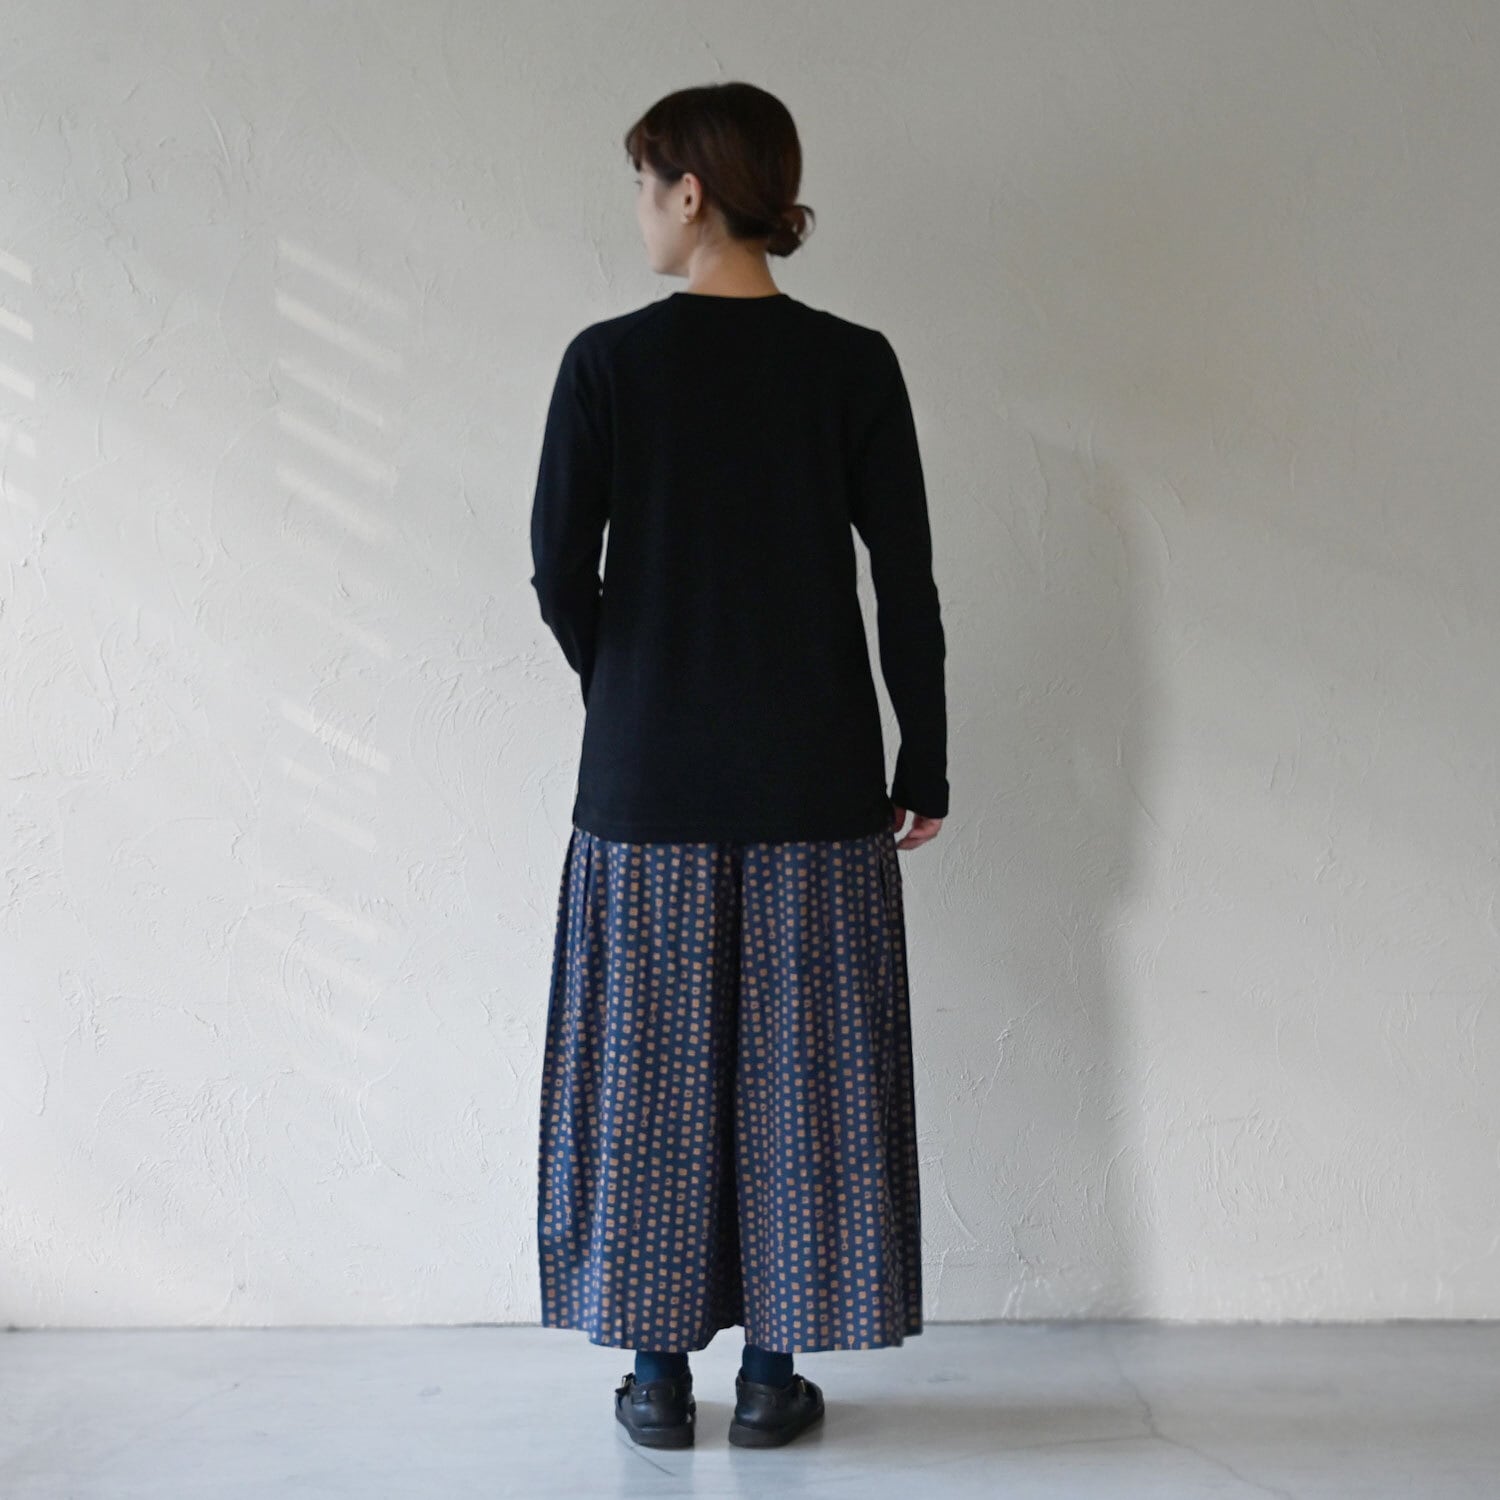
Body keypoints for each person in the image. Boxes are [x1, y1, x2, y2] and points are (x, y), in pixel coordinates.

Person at [529, 80, 948, 1451]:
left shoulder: (606, 364)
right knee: (801, 1083)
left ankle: (657, 1384)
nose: (640, 212)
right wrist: (925, 757)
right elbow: (906, 582)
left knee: (648, 1079)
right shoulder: (852, 363)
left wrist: (631, 688)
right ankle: (771, 1379)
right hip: (814, 780)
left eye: (645, 186)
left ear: (691, 192)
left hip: (645, 786)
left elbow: (557, 570)